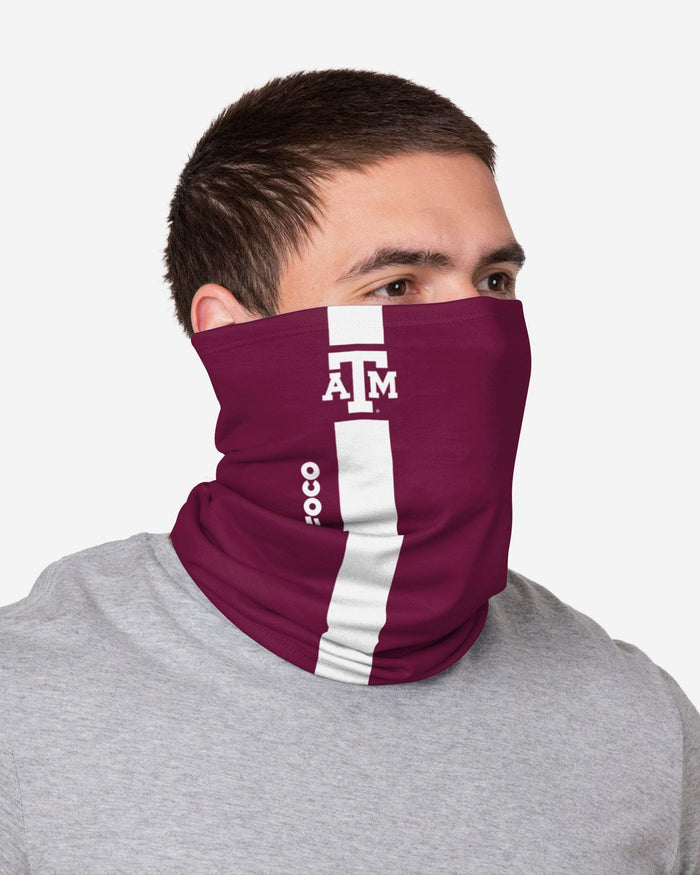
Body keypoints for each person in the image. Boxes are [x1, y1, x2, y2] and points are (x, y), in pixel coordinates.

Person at [1, 68, 698, 874]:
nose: (478, 337)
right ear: (232, 337)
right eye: (397, 286)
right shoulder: (28, 706)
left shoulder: (637, 724)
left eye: (494, 282)